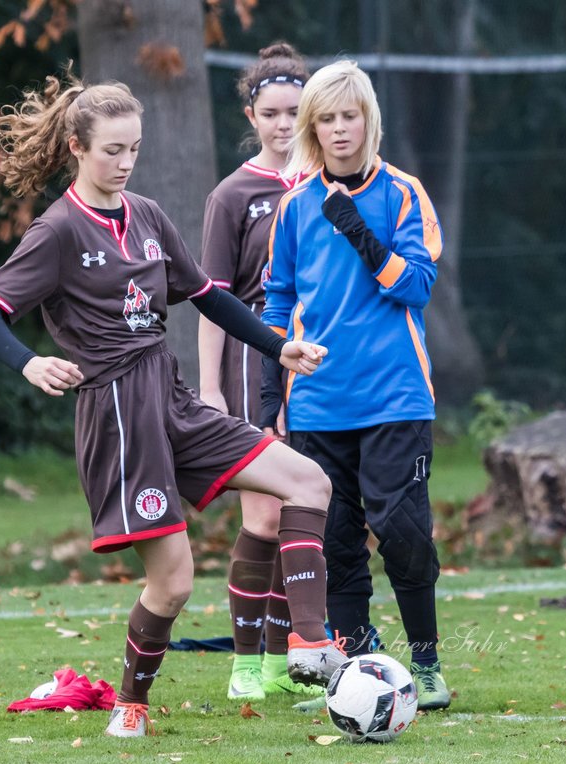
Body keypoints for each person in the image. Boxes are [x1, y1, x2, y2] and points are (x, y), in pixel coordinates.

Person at [0, 68, 348, 738]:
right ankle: (130, 704)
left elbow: (206, 294)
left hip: (169, 395)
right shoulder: (57, 233)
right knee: (172, 584)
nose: (125, 162)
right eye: (112, 150)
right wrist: (29, 363)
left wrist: (278, 344)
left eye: (133, 149)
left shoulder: (147, 215)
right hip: (118, 414)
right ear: (77, 148)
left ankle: (309, 646)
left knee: (307, 480)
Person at [261, 59, 451, 710]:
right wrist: (268, 396)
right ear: (312, 129)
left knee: (401, 531)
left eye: (351, 116)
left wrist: (359, 232)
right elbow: (277, 303)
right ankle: (358, 670)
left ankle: (425, 663)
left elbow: (417, 286)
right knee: (336, 543)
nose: (340, 129)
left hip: (396, 398)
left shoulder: (403, 193)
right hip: (317, 404)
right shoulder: (293, 206)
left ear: (369, 121)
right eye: (327, 119)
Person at [197, 42, 325, 705]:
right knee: (267, 513)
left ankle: (295, 655)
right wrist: (213, 388)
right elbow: (211, 302)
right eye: (271, 112)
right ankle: (249, 661)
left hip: (326, 359)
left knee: (315, 505)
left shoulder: (332, 182)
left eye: (295, 112)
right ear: (252, 114)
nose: (283, 124)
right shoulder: (233, 194)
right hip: (258, 360)